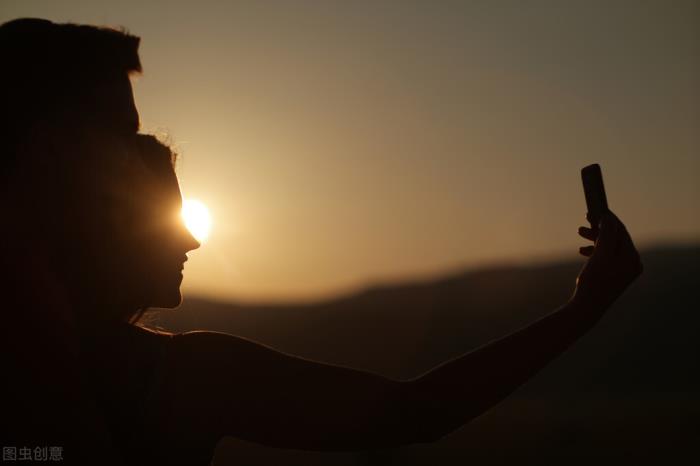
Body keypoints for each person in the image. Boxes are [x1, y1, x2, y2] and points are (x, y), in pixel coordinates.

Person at [0, 17, 643, 466]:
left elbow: (409, 413)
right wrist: (585, 310)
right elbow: (412, 413)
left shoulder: (160, 372)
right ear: (45, 150)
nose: (134, 150)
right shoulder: (177, 380)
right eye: (119, 134)